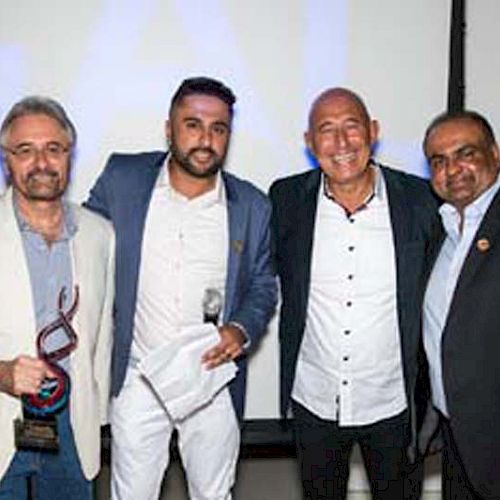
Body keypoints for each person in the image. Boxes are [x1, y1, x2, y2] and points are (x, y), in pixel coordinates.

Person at [85, 76, 276, 500]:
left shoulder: (252, 205)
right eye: (192, 124)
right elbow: (84, 244)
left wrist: (241, 329)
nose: (205, 139)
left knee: (213, 493)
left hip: (211, 377)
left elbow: (264, 283)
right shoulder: (124, 178)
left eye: (219, 128)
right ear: (169, 129)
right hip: (139, 374)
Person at [269, 87, 437, 499]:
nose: (341, 143)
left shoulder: (420, 201)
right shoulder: (286, 200)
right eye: (326, 130)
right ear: (309, 143)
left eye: (352, 127)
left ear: (373, 131)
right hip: (315, 399)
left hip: (394, 401)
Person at [0, 96, 114, 499]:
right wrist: (1, 371)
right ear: (6, 159)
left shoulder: (100, 234)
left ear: (69, 155)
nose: (42, 163)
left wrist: (98, 416)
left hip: (72, 423)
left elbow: (103, 336)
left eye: (54, 149)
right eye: (25, 151)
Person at [422, 110, 500, 499]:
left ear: (495, 154)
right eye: (439, 161)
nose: (453, 169)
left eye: (465, 153)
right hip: (456, 432)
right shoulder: (444, 228)